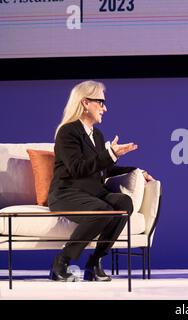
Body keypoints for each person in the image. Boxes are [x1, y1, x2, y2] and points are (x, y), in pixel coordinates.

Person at [48, 80, 154, 282]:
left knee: (123, 203)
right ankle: (62, 261)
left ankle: (94, 262)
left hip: (92, 194)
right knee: (101, 210)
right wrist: (110, 153)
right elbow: (78, 169)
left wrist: (137, 171)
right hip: (66, 193)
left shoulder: (96, 135)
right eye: (101, 102)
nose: (105, 108)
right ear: (85, 102)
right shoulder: (67, 132)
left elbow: (103, 169)